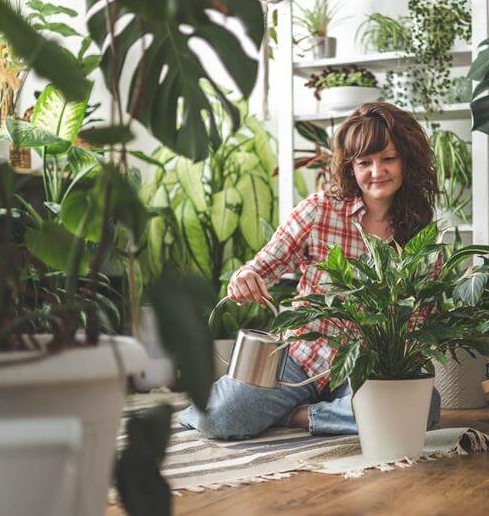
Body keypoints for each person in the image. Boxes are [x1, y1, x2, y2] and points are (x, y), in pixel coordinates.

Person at [179, 102, 442, 440]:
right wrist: (245, 277)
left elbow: (416, 321)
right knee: (219, 419)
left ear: (407, 159)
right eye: (365, 162)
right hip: (300, 359)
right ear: (351, 167)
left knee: (425, 408)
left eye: (388, 159)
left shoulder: (422, 233)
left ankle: (297, 417)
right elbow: (264, 265)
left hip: (364, 371)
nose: (377, 171)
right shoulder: (320, 210)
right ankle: (245, 399)